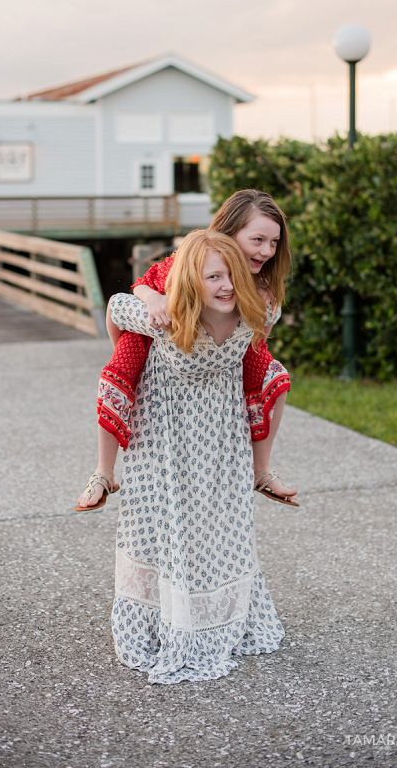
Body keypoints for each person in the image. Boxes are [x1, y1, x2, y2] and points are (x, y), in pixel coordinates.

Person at [91, 228, 286, 682]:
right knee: (161, 531)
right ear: (189, 281)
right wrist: (148, 304)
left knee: (222, 529)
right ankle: (167, 621)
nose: (224, 286)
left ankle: (221, 617)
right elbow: (114, 312)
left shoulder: (260, 310)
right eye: (212, 277)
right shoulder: (163, 315)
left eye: (230, 275)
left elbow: (259, 349)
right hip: (161, 441)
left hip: (222, 441)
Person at [79, 189, 298, 512]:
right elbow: (140, 285)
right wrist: (153, 301)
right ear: (229, 233)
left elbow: (260, 332)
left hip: (221, 355)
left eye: (274, 243)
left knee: (273, 378)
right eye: (258, 241)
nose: (267, 251)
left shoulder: (257, 282)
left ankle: (261, 470)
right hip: (158, 324)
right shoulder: (192, 259)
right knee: (119, 374)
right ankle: (104, 472)